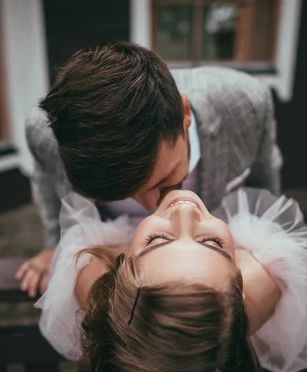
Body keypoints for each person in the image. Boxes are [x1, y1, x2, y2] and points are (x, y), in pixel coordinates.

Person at [17, 41, 283, 297]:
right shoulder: (45, 136)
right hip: (109, 248)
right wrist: (53, 246)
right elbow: (48, 180)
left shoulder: (247, 106)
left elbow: (263, 185)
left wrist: (273, 248)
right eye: (124, 193)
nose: (150, 207)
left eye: (164, 180)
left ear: (185, 113)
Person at [35, 188, 307, 372]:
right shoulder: (262, 283)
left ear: (118, 275)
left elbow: (77, 253)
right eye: (212, 243)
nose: (184, 213)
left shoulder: (93, 277)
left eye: (156, 240)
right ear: (240, 285)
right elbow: (286, 266)